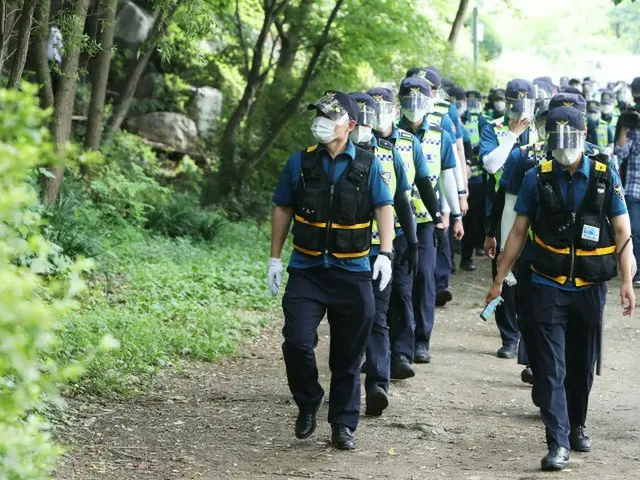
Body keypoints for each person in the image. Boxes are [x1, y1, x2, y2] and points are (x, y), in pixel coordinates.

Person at [487, 105, 636, 471]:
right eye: (557, 139)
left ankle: (577, 424)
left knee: (582, 365)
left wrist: (627, 282)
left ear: (584, 136)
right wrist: (498, 280)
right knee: (551, 368)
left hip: (588, 286)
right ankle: (558, 442)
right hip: (546, 283)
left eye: (570, 138)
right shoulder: (536, 177)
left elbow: (622, 231)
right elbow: (518, 233)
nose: (564, 146)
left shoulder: (604, 174)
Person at [267, 90, 395, 450]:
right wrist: (275, 258)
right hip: (307, 269)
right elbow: (282, 209)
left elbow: (384, 207)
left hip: (352, 272)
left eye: (329, 117)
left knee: (348, 353)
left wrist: (384, 252)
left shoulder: (368, 165)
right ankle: (308, 400)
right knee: (297, 341)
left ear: (349, 125)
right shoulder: (300, 162)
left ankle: (343, 422)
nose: (321, 123)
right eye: (319, 115)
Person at [348, 91, 434, 415]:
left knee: (378, 316)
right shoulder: (331, 156)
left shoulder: (390, 153)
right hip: (343, 254)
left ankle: (378, 384)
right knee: (352, 318)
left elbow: (401, 200)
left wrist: (413, 241)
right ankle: (348, 383)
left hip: (381, 249)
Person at [366, 86, 446, 378]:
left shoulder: (408, 144)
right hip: (361, 235)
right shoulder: (359, 143)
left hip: (400, 230)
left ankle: (401, 353)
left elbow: (423, 184)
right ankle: (374, 352)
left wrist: (437, 221)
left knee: (400, 291)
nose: (378, 117)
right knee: (368, 298)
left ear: (395, 112)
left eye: (384, 110)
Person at [396, 76, 463, 364]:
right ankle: (398, 342)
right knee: (398, 283)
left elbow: (448, 175)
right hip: (393, 222)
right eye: (408, 101)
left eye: (419, 102)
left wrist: (454, 214)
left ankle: (422, 340)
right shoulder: (386, 134)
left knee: (424, 275)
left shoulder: (440, 135)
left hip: (426, 220)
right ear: (399, 104)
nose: (414, 108)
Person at [480, 78, 535, 359]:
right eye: (514, 104)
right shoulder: (493, 127)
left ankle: (528, 338)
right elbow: (491, 165)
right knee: (502, 269)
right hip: (501, 205)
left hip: (536, 211)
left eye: (524, 105)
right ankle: (509, 336)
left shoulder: (541, 128)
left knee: (531, 273)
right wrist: (512, 135)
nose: (519, 111)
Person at [615, 76, 640, 287]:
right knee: (635, 230)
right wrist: (624, 125)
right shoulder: (633, 125)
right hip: (634, 186)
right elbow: (621, 153)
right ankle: (635, 271)